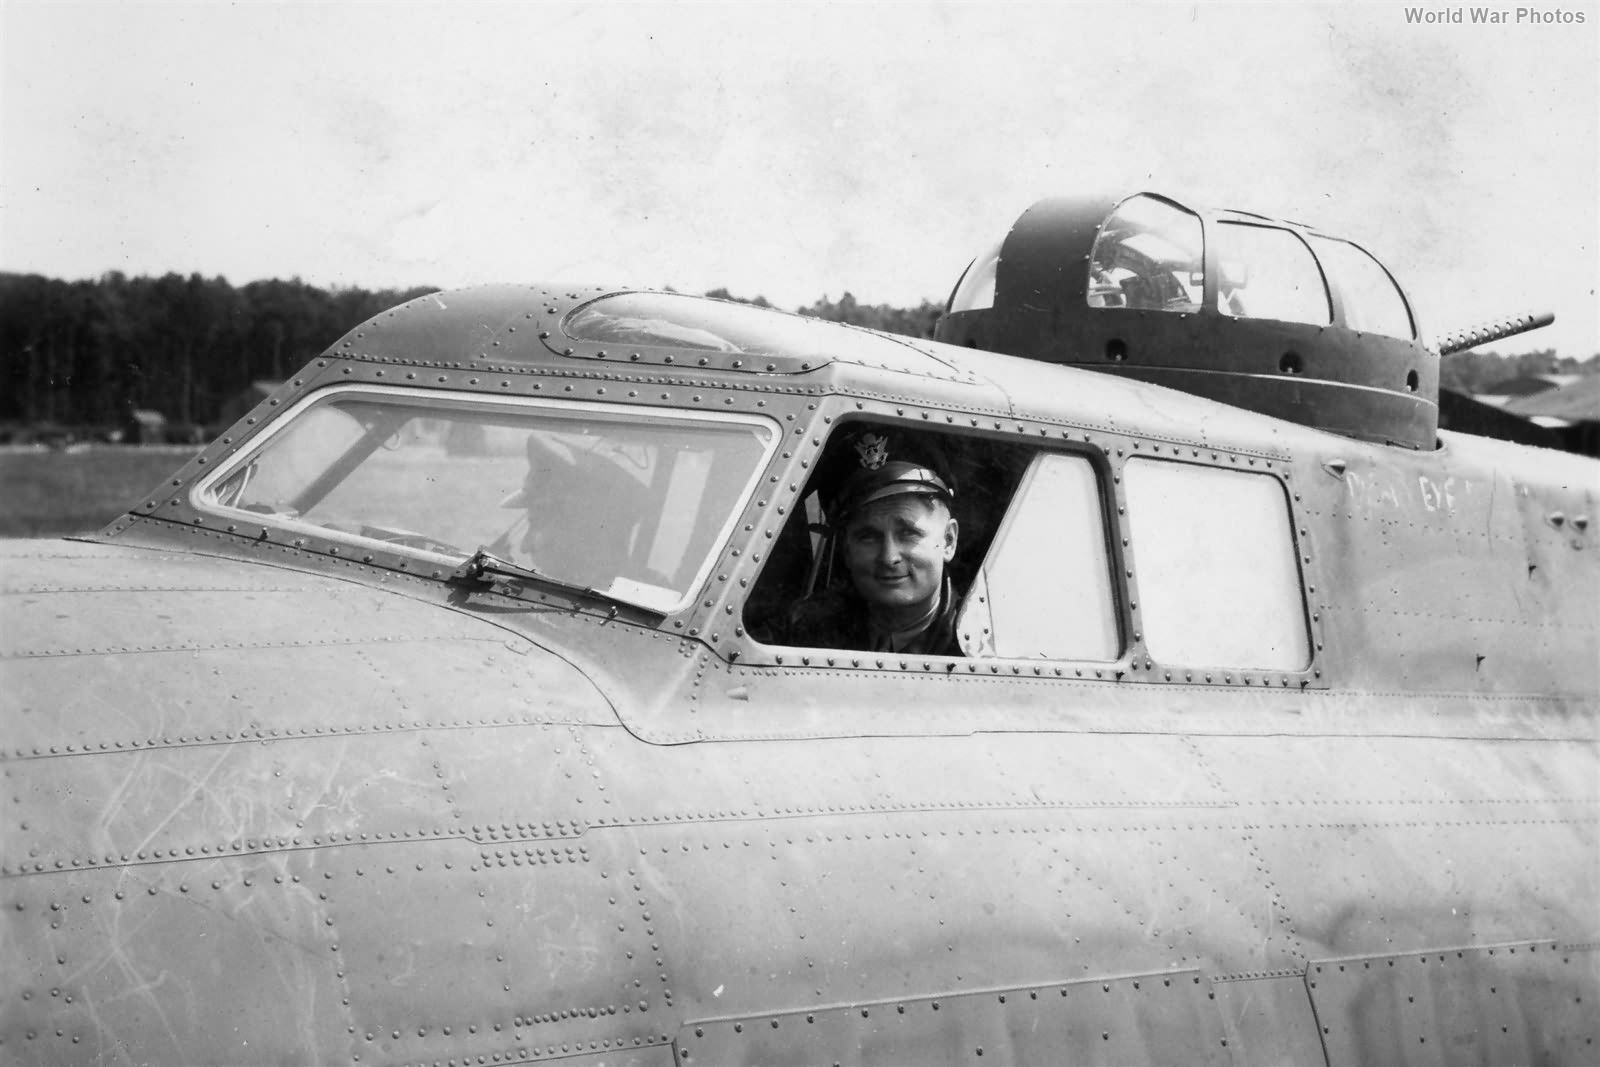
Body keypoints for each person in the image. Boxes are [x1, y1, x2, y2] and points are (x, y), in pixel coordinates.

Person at [785, 431, 963, 656]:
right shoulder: (802, 630)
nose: (889, 557)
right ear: (847, 550)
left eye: (908, 533)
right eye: (868, 536)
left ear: (948, 541)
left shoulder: (984, 641)